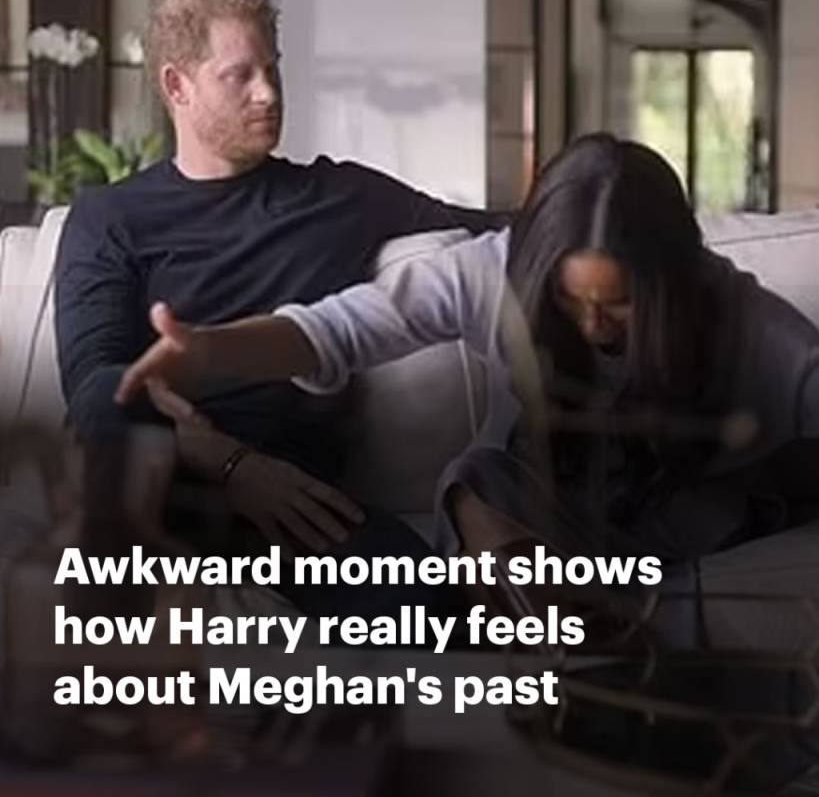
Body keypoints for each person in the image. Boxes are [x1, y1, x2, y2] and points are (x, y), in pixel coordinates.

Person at [116, 133, 819, 635]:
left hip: (689, 514)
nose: (591, 324)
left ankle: (619, 647)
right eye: (570, 300)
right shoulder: (491, 271)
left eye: (620, 305)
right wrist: (209, 349)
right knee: (475, 478)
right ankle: (561, 649)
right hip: (544, 521)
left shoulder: (737, 315)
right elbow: (334, 330)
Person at [55, 0, 498, 622]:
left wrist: (614, 210)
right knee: (105, 396)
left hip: (299, 507)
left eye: (273, 69)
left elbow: (510, 232)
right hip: (164, 486)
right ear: (177, 85)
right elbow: (98, 386)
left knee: (427, 606)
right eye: (239, 75)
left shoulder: (340, 197)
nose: (267, 93)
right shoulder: (110, 217)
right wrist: (233, 466)